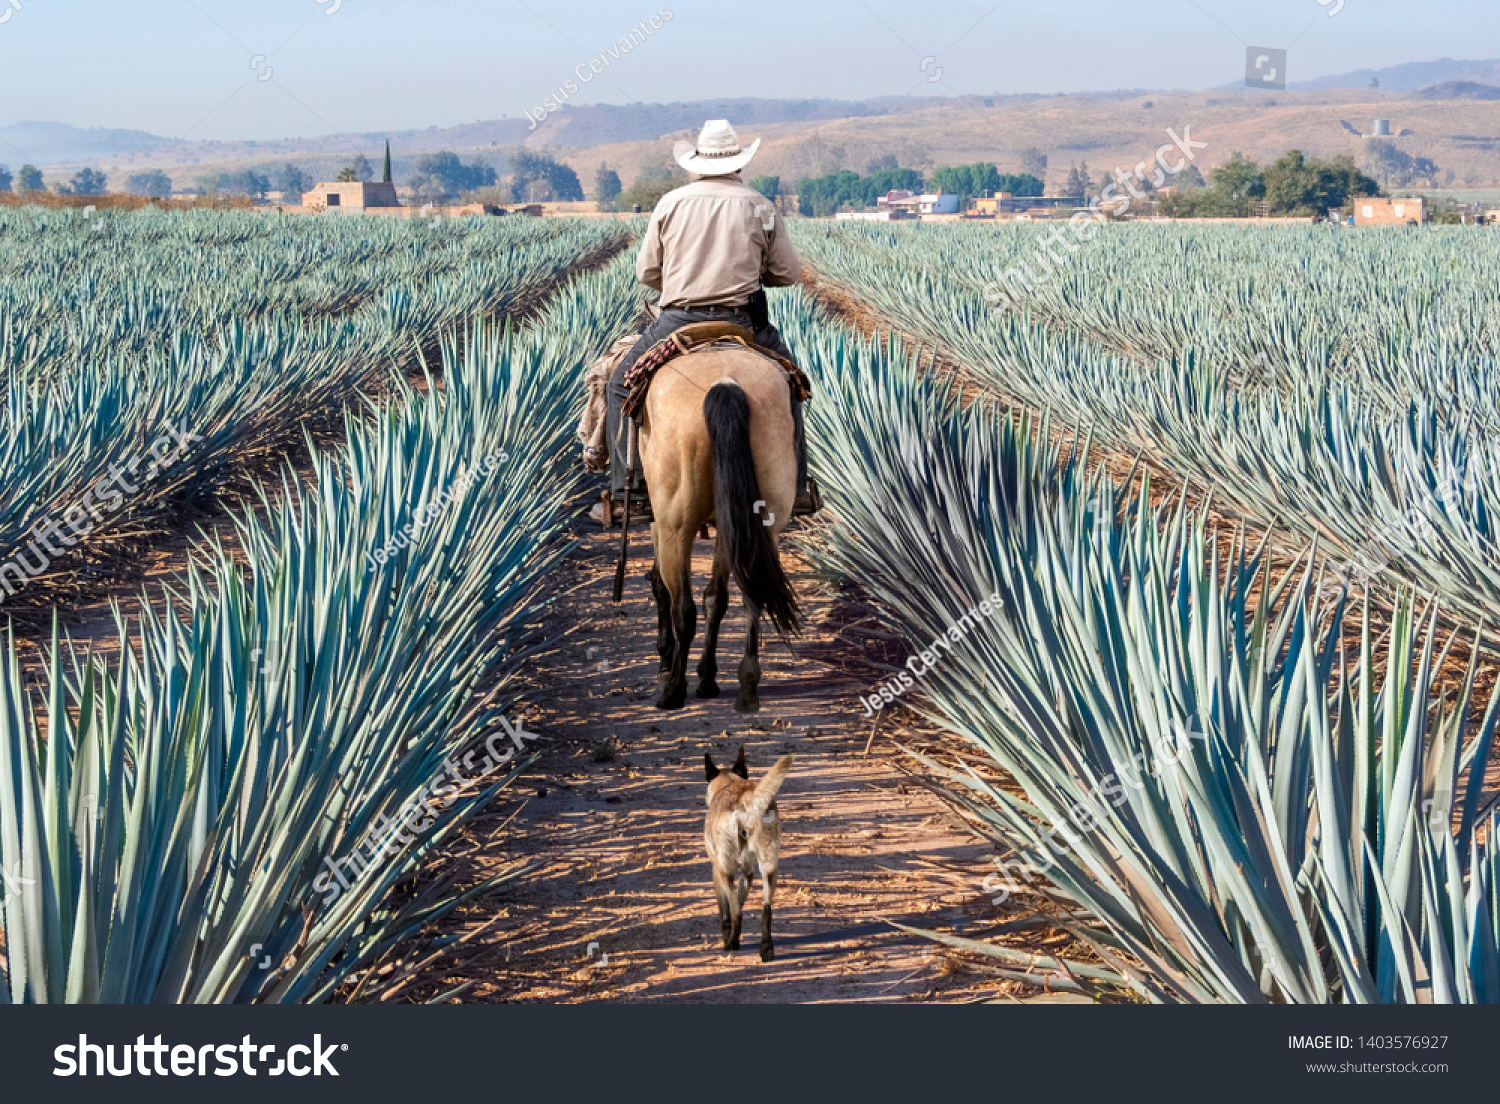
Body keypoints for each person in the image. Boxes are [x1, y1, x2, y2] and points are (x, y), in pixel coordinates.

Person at [593, 119, 814, 526]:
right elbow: (786, 274)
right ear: (738, 163)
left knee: (619, 384)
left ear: (696, 163)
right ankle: (796, 487)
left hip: (677, 320)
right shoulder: (760, 205)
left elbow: (648, 273)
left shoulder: (670, 203)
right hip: (743, 322)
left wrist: (682, 279)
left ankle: (630, 487)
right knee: (791, 385)